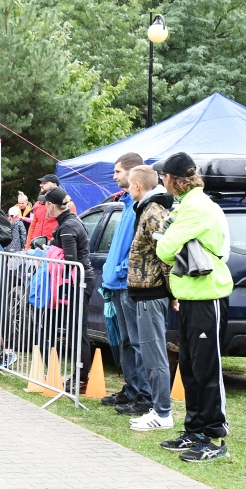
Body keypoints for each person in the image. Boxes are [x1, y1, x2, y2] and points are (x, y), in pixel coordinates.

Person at [154, 152, 233, 462]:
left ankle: (215, 437)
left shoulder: (197, 207)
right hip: (190, 296)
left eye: (163, 176)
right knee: (189, 367)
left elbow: (165, 249)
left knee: (206, 369)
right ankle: (195, 431)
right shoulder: (187, 204)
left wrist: (168, 238)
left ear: (171, 179)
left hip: (207, 297)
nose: (162, 180)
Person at [98, 152, 152, 416]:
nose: (114, 176)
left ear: (132, 173)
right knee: (125, 341)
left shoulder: (139, 207)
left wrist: (119, 271)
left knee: (137, 341)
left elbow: (136, 249)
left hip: (127, 283)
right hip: (117, 283)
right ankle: (131, 389)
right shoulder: (127, 204)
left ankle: (143, 394)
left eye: (117, 171)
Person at [125, 165, 176, 432]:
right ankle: (158, 409)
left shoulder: (154, 212)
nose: (127, 188)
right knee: (149, 353)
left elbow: (166, 255)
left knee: (155, 355)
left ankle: (163, 412)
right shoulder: (146, 209)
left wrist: (173, 292)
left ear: (137, 185)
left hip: (152, 293)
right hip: (145, 292)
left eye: (128, 184)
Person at [45, 187, 95, 389]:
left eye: (45, 204)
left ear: (51, 205)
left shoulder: (67, 226)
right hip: (78, 280)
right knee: (75, 330)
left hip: (78, 281)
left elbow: (71, 261)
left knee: (77, 331)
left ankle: (81, 379)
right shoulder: (70, 221)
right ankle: (78, 375)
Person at [26, 174, 75, 245]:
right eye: (41, 183)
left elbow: (71, 228)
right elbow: (33, 226)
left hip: (54, 247)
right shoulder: (38, 203)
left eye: (44, 183)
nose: (40, 185)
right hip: (36, 247)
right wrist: (28, 245)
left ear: (54, 185)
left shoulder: (67, 204)